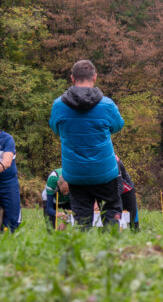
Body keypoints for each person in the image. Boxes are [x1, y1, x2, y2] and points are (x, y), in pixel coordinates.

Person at [49, 60, 125, 228]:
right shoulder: (107, 104)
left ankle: (84, 244)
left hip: (75, 173)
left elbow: (55, 129)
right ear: (94, 77)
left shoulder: (58, 105)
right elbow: (118, 126)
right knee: (111, 212)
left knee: (82, 219)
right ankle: (110, 243)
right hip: (105, 171)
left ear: (72, 78)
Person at [116, 154, 140, 231]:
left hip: (127, 190)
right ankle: (116, 233)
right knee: (116, 213)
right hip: (116, 189)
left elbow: (120, 187)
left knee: (132, 216)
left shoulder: (115, 161)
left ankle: (136, 232)